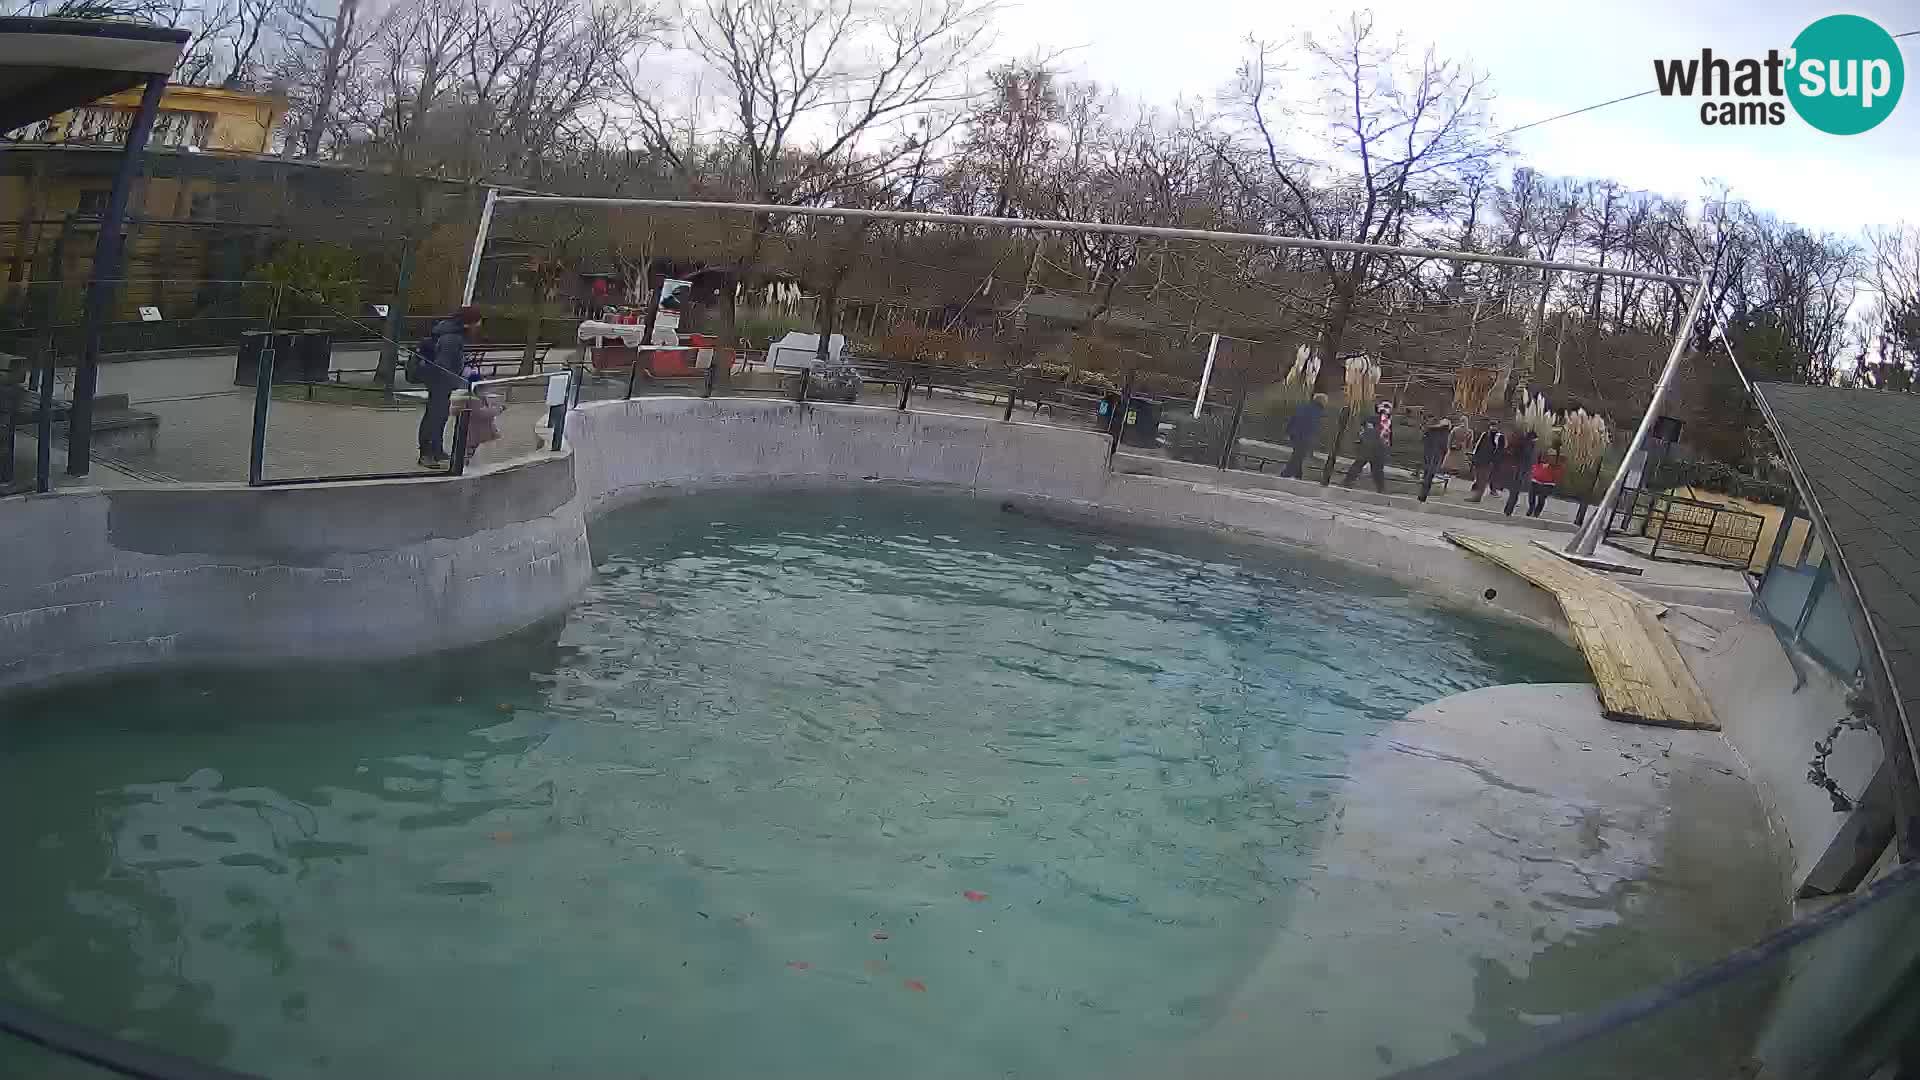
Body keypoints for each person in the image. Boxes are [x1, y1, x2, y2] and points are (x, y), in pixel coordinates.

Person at [417, 306, 483, 470]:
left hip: (441, 382)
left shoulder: (454, 334)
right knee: (435, 417)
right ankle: (426, 454)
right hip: (439, 382)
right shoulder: (451, 338)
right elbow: (444, 366)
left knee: (440, 416)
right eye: (478, 322)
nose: (480, 326)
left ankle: (436, 449)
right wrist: (461, 381)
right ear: (470, 323)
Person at [1342, 400, 1393, 493]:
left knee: (1359, 464)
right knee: (1376, 469)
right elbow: (1386, 437)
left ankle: (1348, 481)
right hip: (1377, 447)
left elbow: (1362, 431)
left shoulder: (1369, 419)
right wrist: (1386, 448)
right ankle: (1381, 488)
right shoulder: (1385, 421)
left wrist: (1361, 440)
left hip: (1367, 445)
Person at [1283, 392, 1328, 478]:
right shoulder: (1318, 411)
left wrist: (1288, 432)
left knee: (1298, 455)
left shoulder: (1304, 406)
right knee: (1298, 456)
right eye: (1325, 401)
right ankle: (1285, 474)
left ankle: (1298, 475)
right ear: (1322, 401)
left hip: (1294, 434)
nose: (1326, 403)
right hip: (1304, 436)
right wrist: (1314, 438)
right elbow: (1313, 426)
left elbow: (1292, 418)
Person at [1417, 412, 1453, 502]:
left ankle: (1423, 494)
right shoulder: (1441, 432)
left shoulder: (1434, 429)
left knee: (1428, 473)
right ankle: (1423, 494)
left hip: (1433, 452)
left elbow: (1423, 439)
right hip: (1434, 452)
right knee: (1429, 473)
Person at [1504, 429, 1540, 516]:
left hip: (1519, 471)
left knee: (1514, 492)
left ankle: (1508, 510)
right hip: (1520, 471)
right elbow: (1527, 459)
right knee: (1515, 492)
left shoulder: (1524, 444)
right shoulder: (1528, 446)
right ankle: (1508, 510)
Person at [1466, 423, 1506, 502]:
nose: (1493, 427)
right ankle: (1477, 495)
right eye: (1492, 426)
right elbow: (1478, 446)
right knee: (1478, 478)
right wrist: (1474, 456)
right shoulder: (1484, 434)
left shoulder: (1500, 437)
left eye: (1494, 426)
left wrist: (1494, 460)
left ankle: (1478, 497)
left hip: (1489, 461)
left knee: (1483, 479)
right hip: (1480, 459)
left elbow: (1500, 451)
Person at [1527, 448, 1563, 517]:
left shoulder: (1558, 460)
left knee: (1542, 498)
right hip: (1536, 480)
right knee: (1531, 496)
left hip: (1548, 483)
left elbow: (1559, 469)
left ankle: (1536, 513)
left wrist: (1551, 466)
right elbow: (1535, 459)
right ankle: (1531, 509)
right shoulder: (1542, 453)